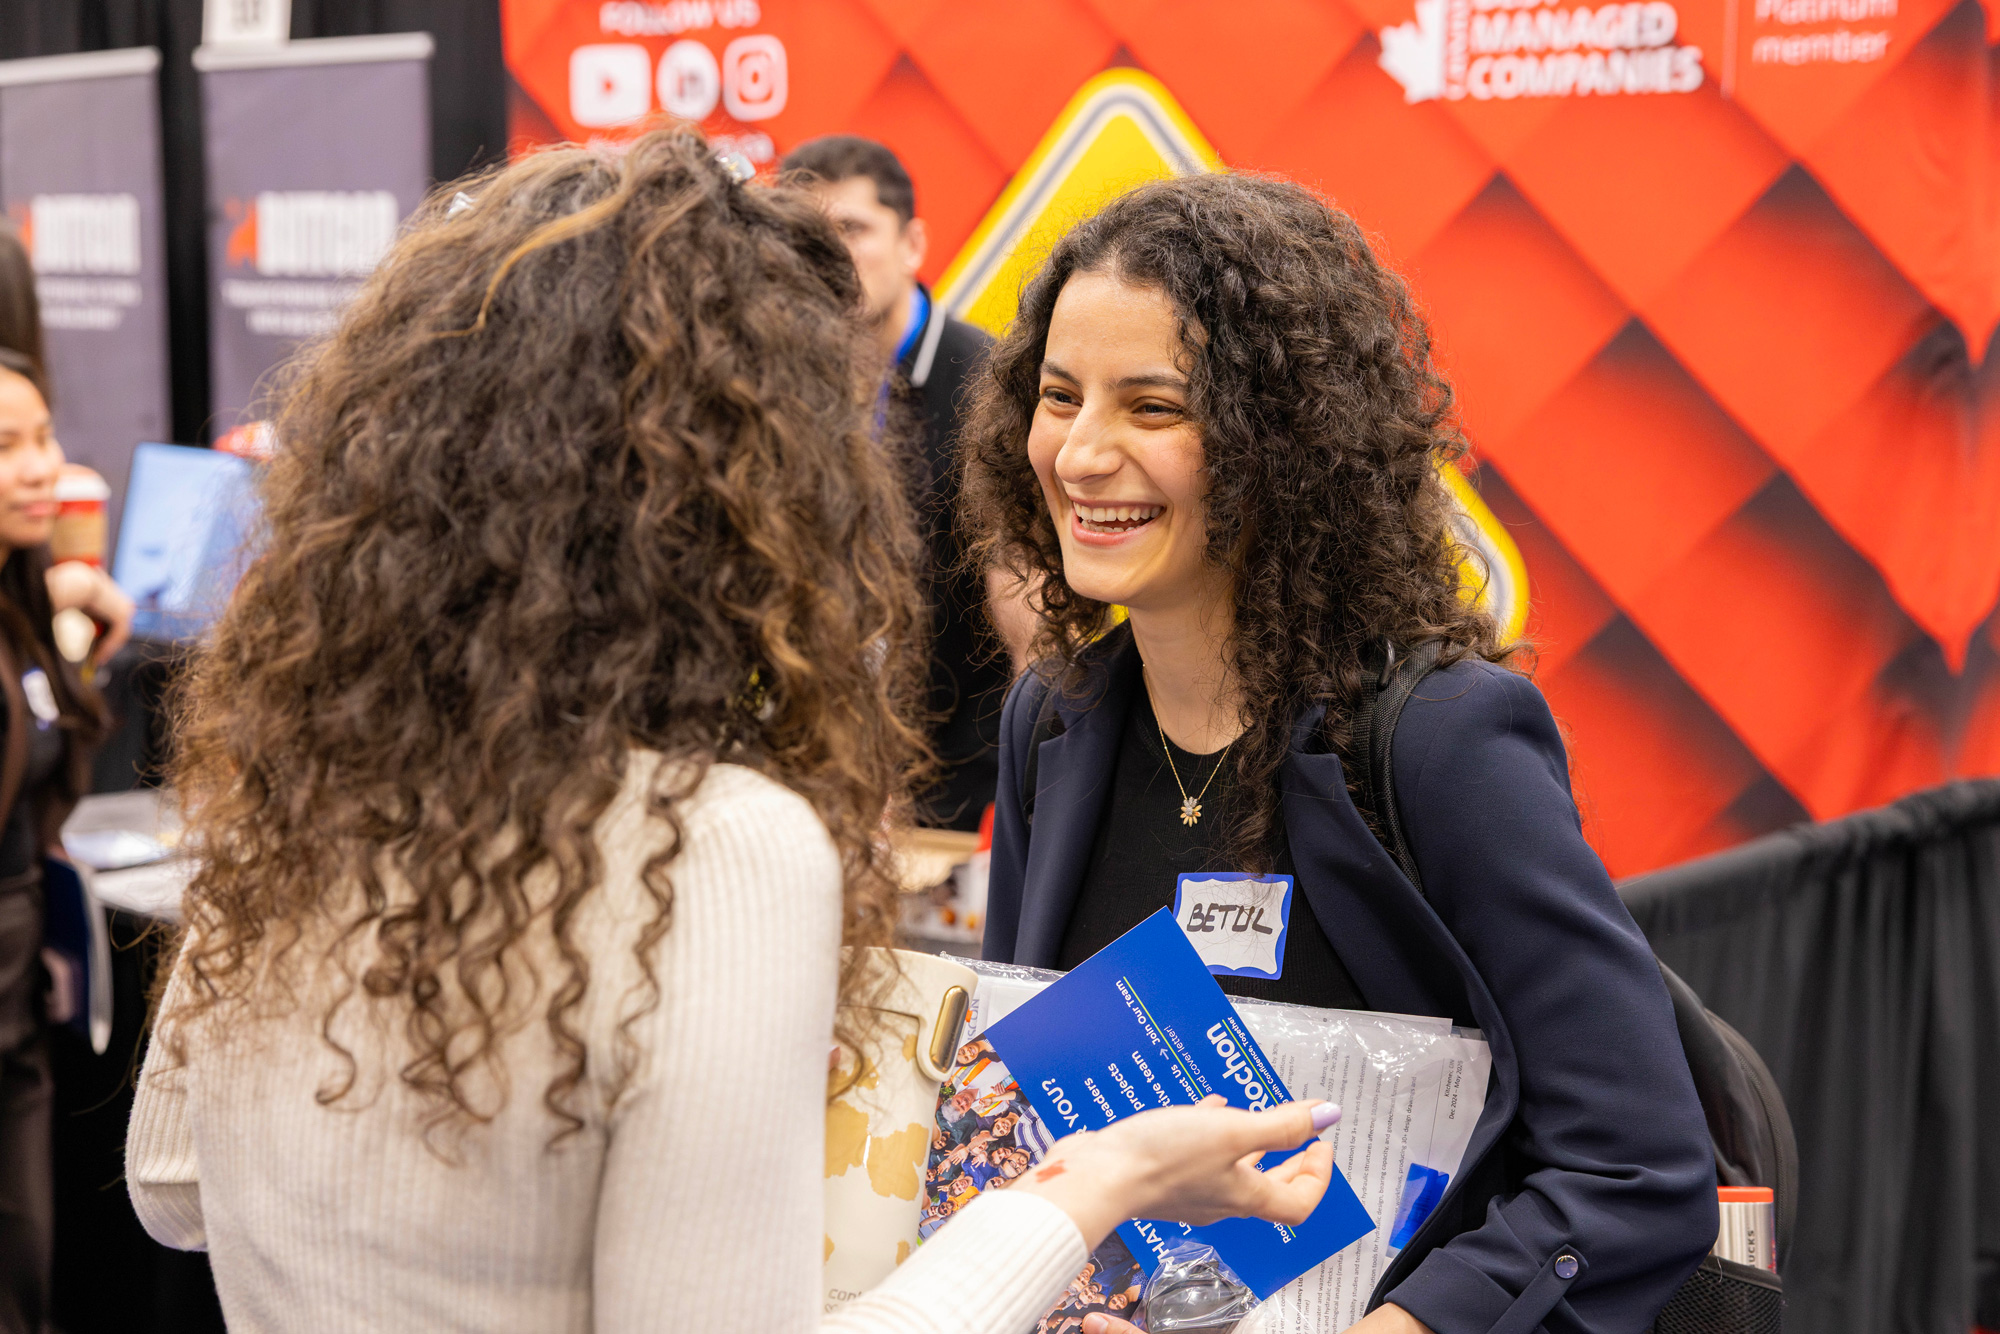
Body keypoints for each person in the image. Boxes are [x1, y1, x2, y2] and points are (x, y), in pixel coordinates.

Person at [123, 129, 1341, 1333]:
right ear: (740, 486)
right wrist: (1095, 1187)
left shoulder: (312, 774)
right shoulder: (713, 848)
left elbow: (173, 1180)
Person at [961, 174, 1717, 1334]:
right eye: (1059, 396)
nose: (1079, 452)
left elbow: (1634, 1169)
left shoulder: (1441, 741)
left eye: (1152, 407)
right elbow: (1039, 1125)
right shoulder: (1051, 724)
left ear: (1282, 446)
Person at [782, 135, 1033, 830]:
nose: (832, 255)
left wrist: (1008, 807)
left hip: (959, 797)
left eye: (853, 229)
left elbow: (1037, 640)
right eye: (809, 235)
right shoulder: (774, 391)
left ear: (913, 243)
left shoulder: (989, 385)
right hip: (811, 788)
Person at [0, 348, 116, 1333]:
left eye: (43, 436)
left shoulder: (22, 598)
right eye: (6, 446)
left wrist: (77, 634)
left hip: (18, 1006)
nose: (43, 467)